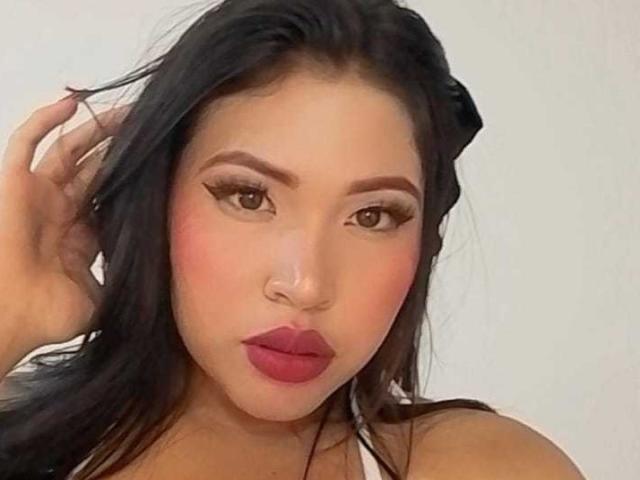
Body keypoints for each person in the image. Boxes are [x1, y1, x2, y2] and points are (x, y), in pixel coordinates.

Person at [0, 0, 586, 479]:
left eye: (373, 215)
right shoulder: (20, 443)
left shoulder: (492, 468)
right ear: (156, 200)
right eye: (249, 197)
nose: (306, 285)